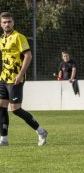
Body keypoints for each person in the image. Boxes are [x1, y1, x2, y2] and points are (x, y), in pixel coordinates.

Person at [0, 12, 48, 147]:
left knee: (15, 109)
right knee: (1, 107)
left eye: (9, 21)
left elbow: (28, 56)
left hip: (16, 78)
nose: (7, 24)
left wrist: (21, 74)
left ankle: (41, 131)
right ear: (0, 24)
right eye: (4, 22)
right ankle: (3, 139)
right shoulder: (2, 39)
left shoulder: (19, 37)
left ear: (13, 22)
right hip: (3, 78)